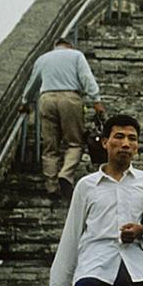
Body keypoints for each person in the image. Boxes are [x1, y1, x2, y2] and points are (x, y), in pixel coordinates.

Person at [45, 114, 143, 286]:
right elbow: (71, 237)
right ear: (105, 142)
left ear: (137, 147)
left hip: (134, 277)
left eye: (132, 138)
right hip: (92, 274)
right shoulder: (86, 186)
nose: (125, 143)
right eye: (119, 136)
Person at [20, 38, 105, 199]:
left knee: (50, 146)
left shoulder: (43, 59)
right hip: (70, 98)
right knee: (75, 142)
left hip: (47, 99)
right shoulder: (76, 55)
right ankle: (65, 175)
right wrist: (96, 100)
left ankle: (51, 185)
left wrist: (25, 102)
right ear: (70, 46)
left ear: (55, 46)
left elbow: (33, 83)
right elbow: (86, 77)